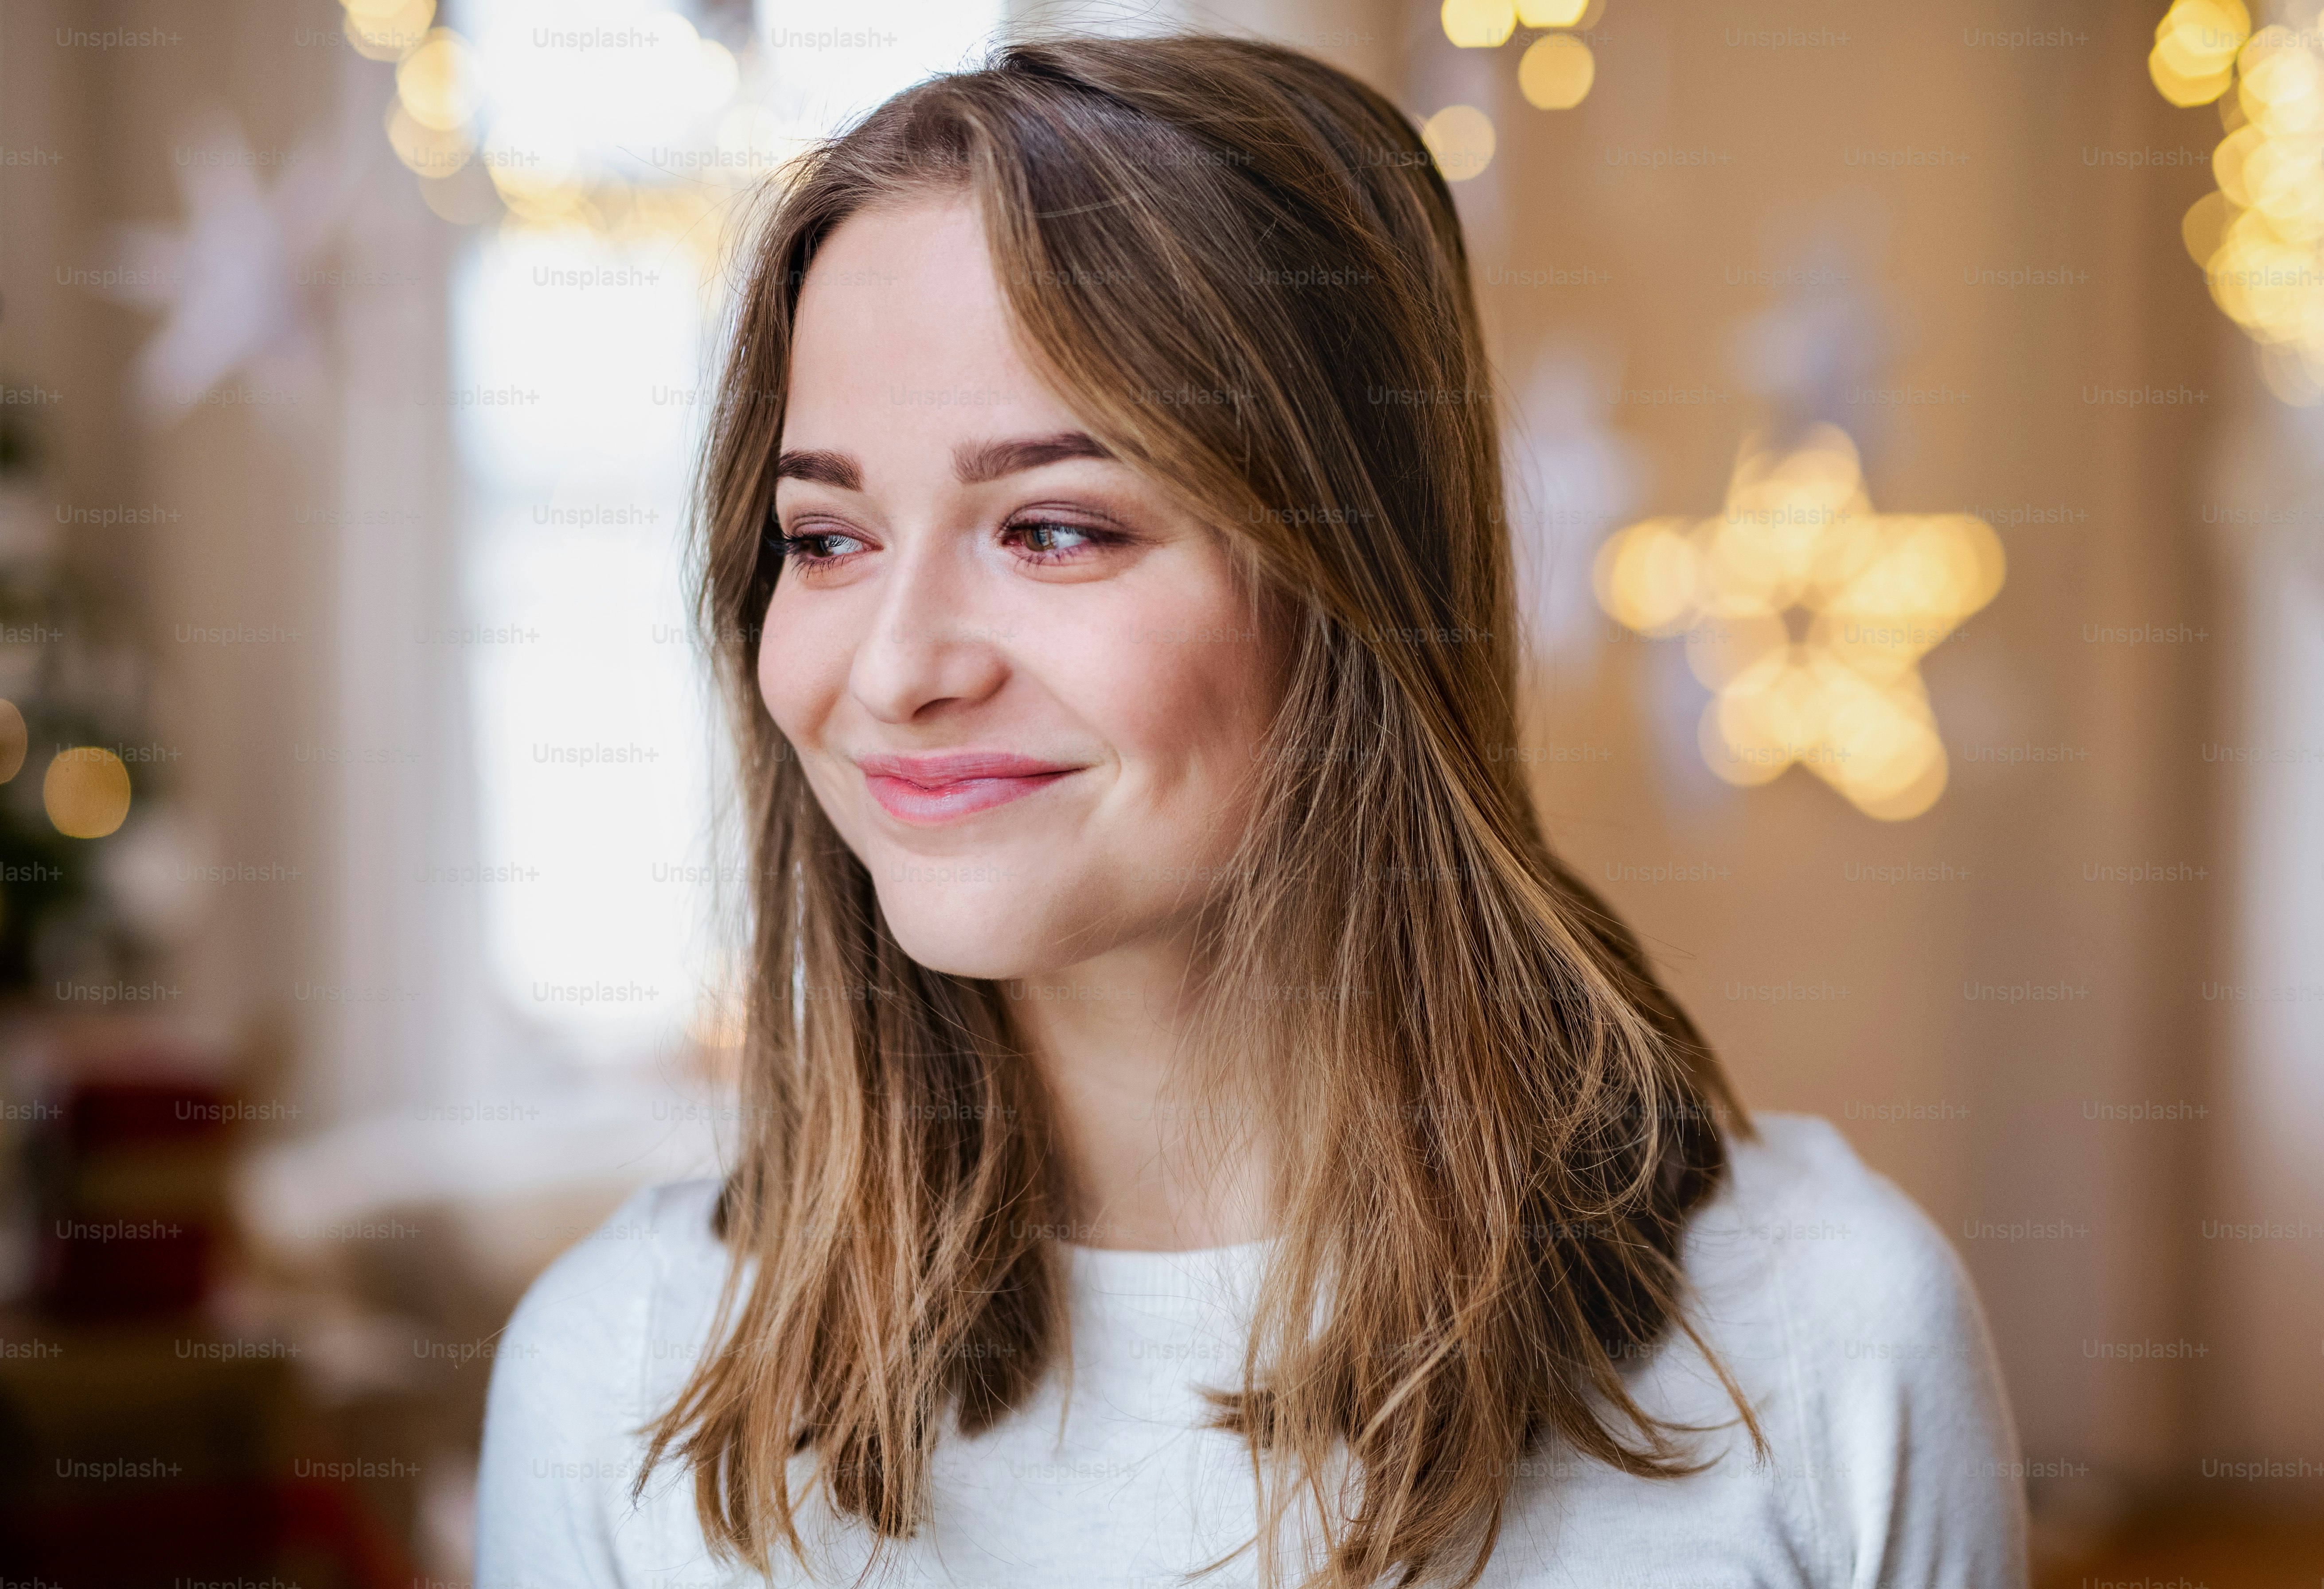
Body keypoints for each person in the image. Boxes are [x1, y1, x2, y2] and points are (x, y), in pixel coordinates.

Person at [476, 35, 2026, 1589]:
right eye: (823, 539)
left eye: (1054, 527)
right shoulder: (621, 1379)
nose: (891, 670)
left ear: (1354, 581)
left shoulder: (1824, 1341)